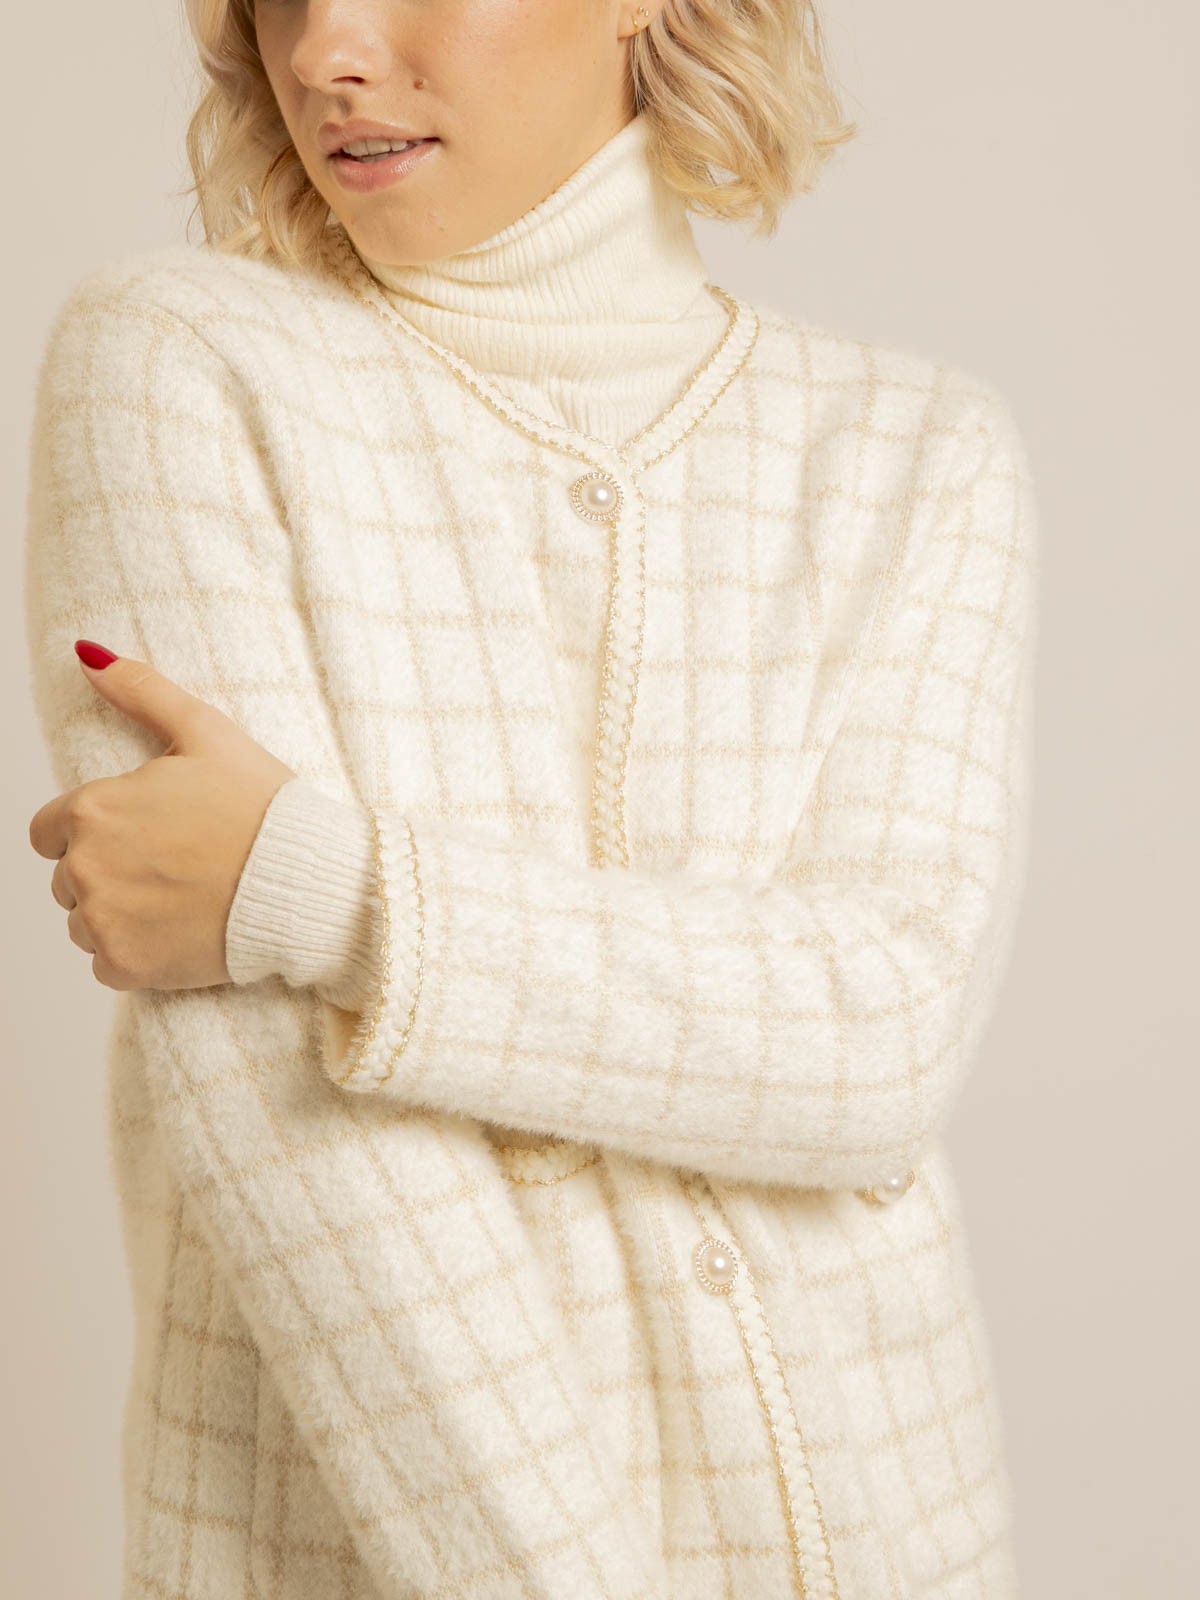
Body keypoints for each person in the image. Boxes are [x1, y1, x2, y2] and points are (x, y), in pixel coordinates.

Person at [24, 0, 1038, 1595]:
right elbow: (289, 1129)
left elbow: (882, 1036)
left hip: (889, 1532)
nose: (324, 52)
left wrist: (331, 896)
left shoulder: (914, 453)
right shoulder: (183, 362)